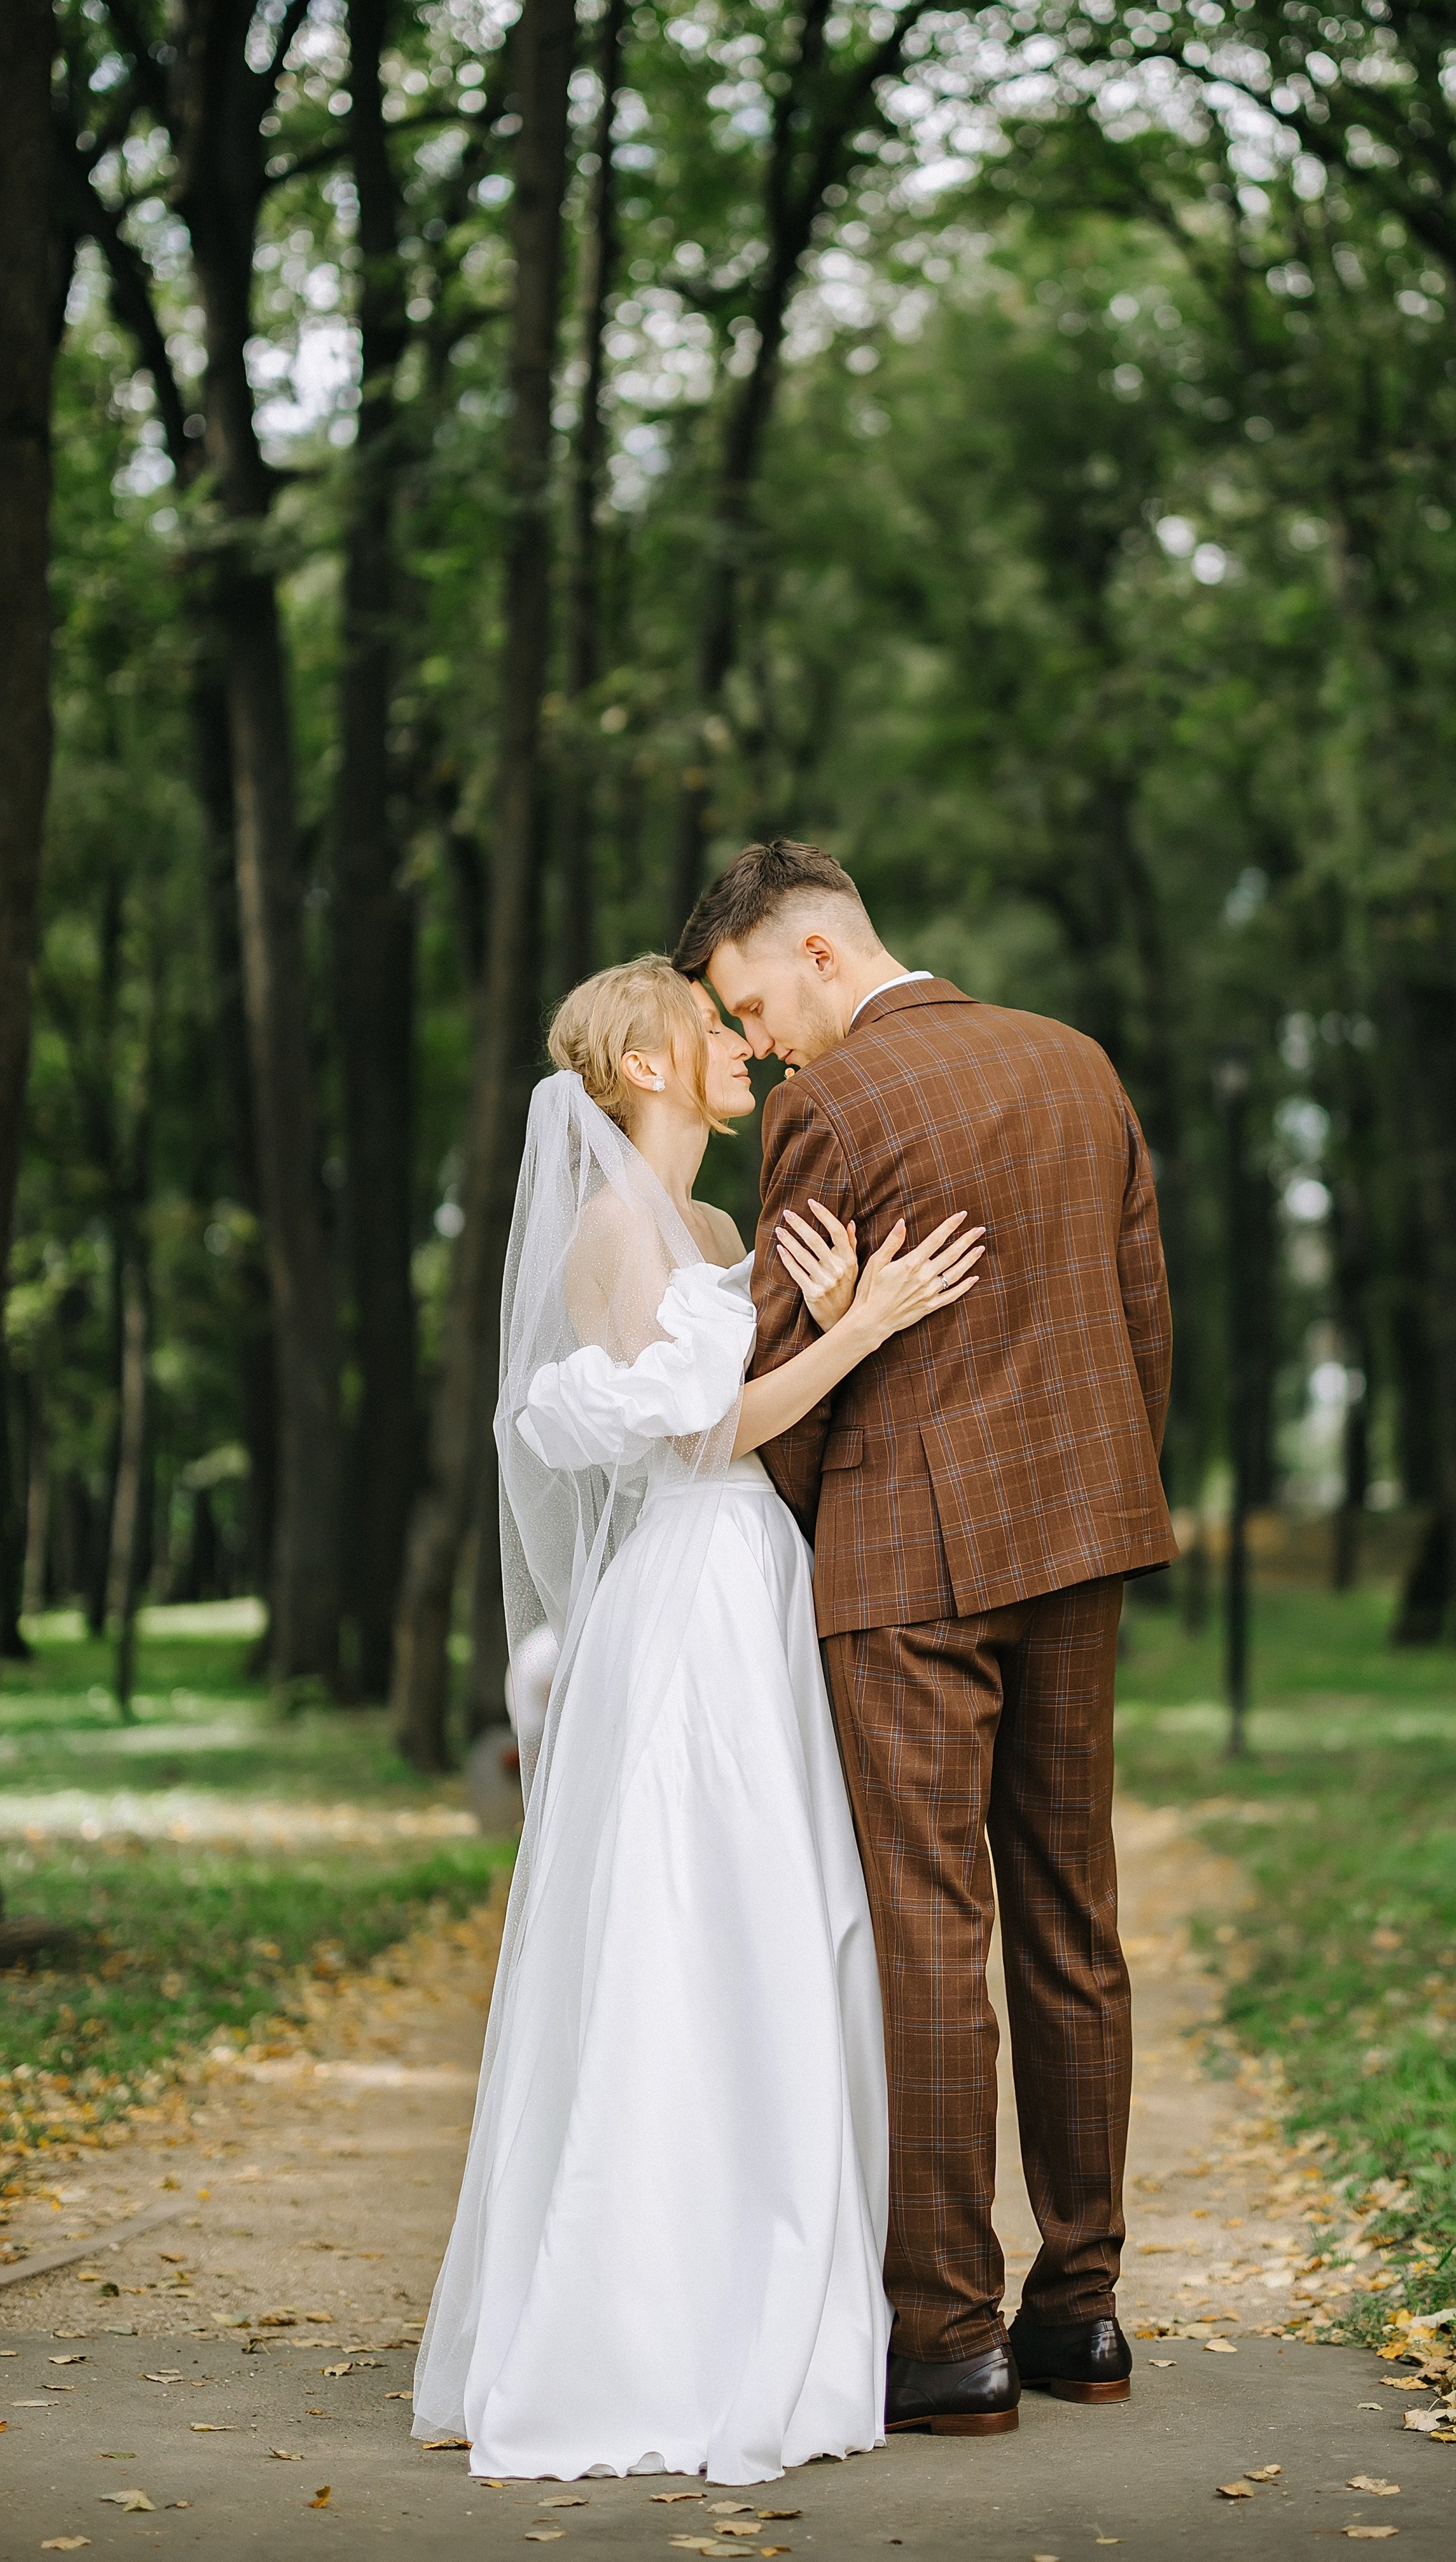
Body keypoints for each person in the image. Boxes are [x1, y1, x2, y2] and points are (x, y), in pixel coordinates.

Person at [411, 955, 982, 2486]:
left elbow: (756, 1408)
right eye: (712, 1027)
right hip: (687, 1593)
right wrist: (866, 1328)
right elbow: (699, 1430)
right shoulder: (611, 1230)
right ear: (649, 1066)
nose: (741, 1043)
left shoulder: (719, 1229)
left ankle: (765, 2260)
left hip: (759, 1574)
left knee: (774, 1914)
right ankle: (646, 2315)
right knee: (683, 1916)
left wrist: (831, 1314)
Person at [676, 841, 1176, 2440]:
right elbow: (1142, 1318)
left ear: (819, 951)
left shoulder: (836, 1107)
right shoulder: (1078, 1064)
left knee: (928, 1933)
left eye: (756, 1004)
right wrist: (1101, 1493)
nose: (760, 1047)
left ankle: (951, 2336)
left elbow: (781, 1389)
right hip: (1080, 1541)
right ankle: (1083, 2311)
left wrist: (808, 1532)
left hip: (908, 1564)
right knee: (1073, 1917)